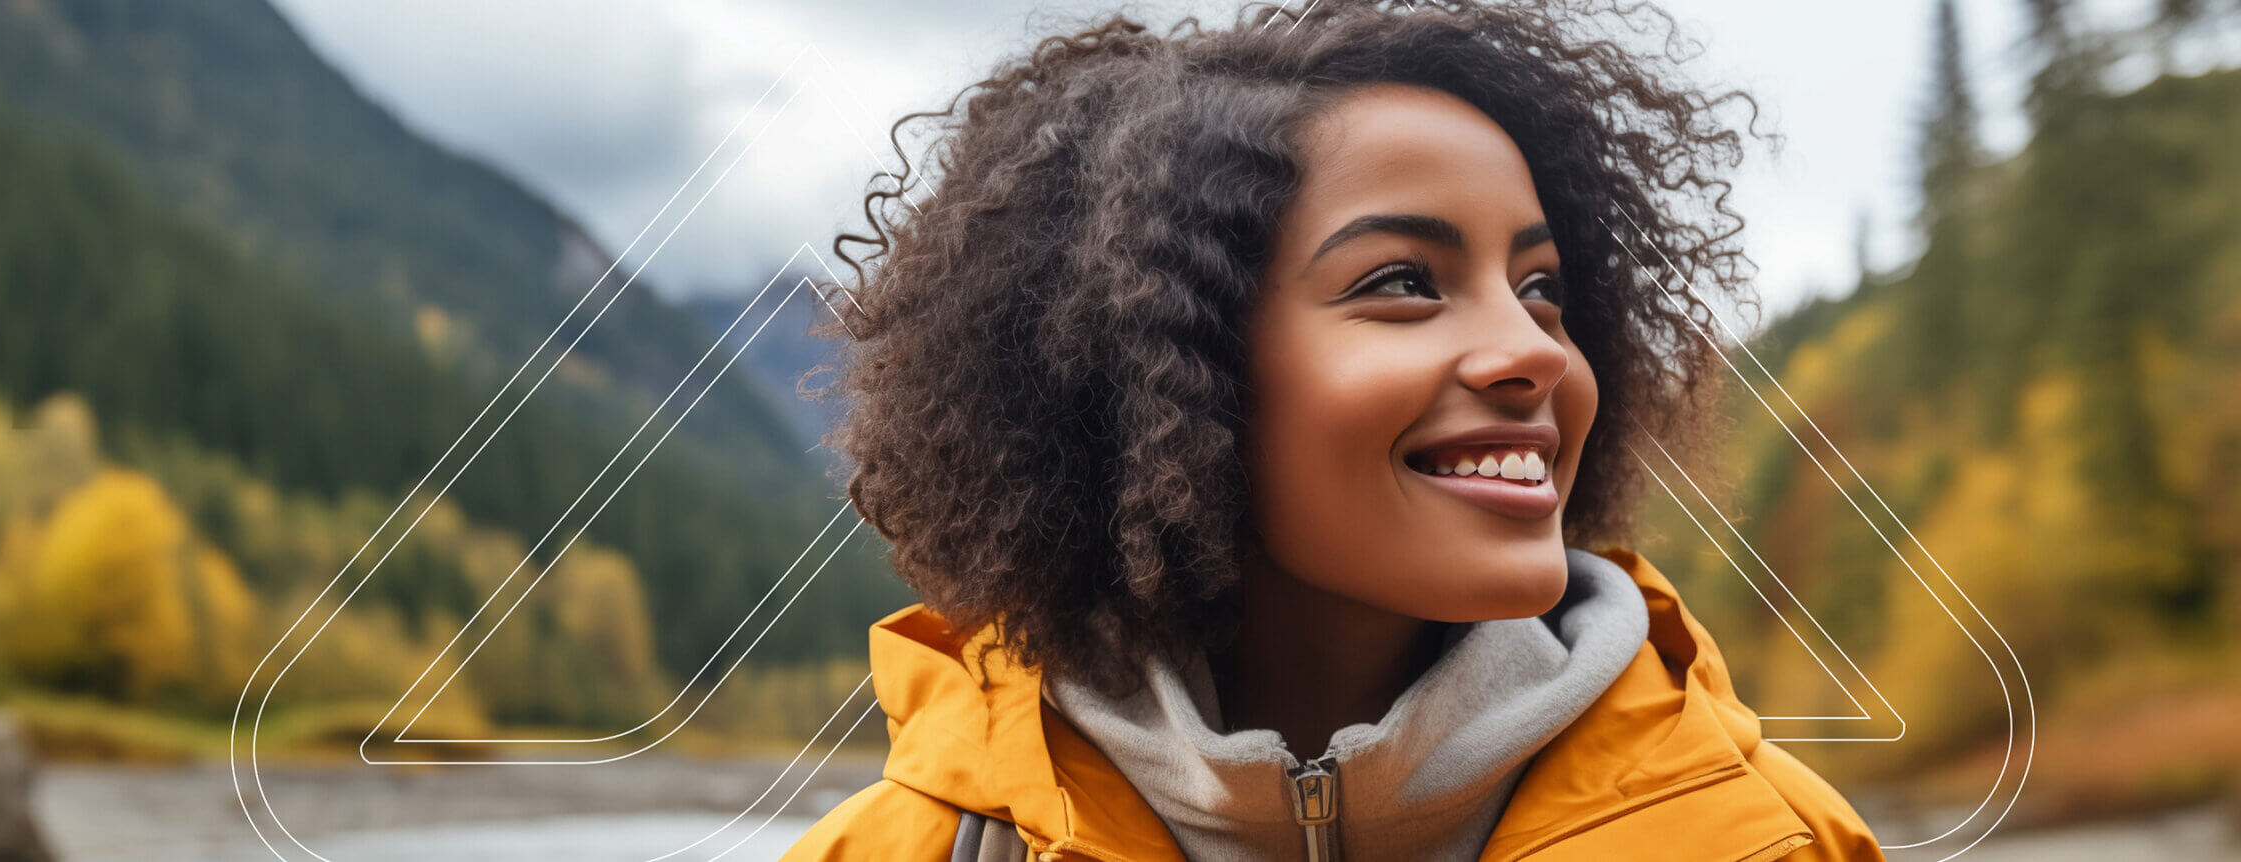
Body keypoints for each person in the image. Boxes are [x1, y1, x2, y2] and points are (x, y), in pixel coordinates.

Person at [787, 1, 1886, 859]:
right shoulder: (905, 854)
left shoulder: (1779, 843)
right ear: (1164, 367)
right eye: (1404, 281)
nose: (1539, 351)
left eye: (1542, 288)